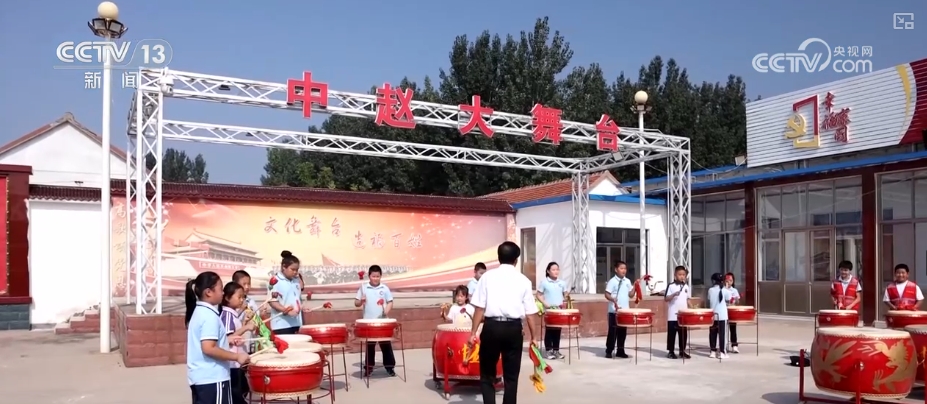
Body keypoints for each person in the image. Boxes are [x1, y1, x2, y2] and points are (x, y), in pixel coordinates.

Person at [469, 241, 538, 404]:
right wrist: (534, 337)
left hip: (492, 327)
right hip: (513, 329)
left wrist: (473, 333)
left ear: (499, 257)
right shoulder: (524, 280)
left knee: (487, 374)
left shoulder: (486, 277)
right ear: (516, 260)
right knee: (511, 375)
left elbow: (479, 308)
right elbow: (530, 314)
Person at [185, 271, 249, 404]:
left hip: (203, 378)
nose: (223, 293)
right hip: (213, 379)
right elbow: (209, 348)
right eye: (220, 289)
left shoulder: (200, 312)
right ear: (208, 292)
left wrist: (226, 340)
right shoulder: (209, 316)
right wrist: (237, 357)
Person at [354, 265, 396, 377]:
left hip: (382, 322)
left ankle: (390, 367)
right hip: (368, 323)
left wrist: (385, 312)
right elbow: (356, 303)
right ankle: (368, 367)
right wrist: (361, 301)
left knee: (386, 345)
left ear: (381, 276)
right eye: (373, 276)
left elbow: (390, 302)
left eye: (378, 276)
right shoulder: (364, 288)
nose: (376, 278)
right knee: (370, 346)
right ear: (369, 276)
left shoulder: (384, 288)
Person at [219, 282, 256, 404]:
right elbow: (228, 338)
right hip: (232, 363)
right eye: (239, 297)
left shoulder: (232, 314)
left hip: (236, 362)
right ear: (227, 298)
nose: (242, 300)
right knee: (237, 395)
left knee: (242, 390)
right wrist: (246, 328)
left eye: (243, 297)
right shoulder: (227, 315)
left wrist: (244, 323)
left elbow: (236, 333)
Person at [603, 261, 639, 359]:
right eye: (621, 268)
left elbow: (630, 295)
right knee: (613, 331)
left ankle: (620, 350)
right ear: (616, 269)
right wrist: (612, 299)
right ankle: (609, 350)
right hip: (614, 311)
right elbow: (607, 294)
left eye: (625, 268)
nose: (624, 270)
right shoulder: (612, 281)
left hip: (624, 311)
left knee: (622, 331)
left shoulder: (627, 281)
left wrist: (635, 287)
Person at [536, 262, 568, 359]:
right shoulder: (544, 282)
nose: (556, 271)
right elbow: (538, 295)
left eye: (557, 269)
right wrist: (545, 304)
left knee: (558, 330)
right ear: (548, 271)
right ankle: (549, 351)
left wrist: (565, 298)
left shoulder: (562, 283)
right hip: (549, 310)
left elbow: (565, 294)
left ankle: (556, 350)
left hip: (559, 310)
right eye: (553, 270)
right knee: (549, 330)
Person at [268, 251, 303, 335]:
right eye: (292, 269)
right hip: (282, 325)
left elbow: (297, 299)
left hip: (297, 322)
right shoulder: (275, 280)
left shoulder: (296, 280)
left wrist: (302, 307)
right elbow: (272, 301)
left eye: (297, 270)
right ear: (284, 267)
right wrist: (287, 311)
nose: (295, 272)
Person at [664, 266, 691, 359]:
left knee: (683, 334)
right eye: (680, 274)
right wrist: (673, 295)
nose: (682, 276)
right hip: (673, 315)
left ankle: (682, 351)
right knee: (672, 334)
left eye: (683, 275)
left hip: (683, 315)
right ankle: (671, 351)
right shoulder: (671, 286)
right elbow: (666, 298)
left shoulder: (686, 286)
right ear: (675, 275)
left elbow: (688, 299)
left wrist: (692, 307)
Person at [707, 273, 733, 359]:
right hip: (722, 316)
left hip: (713, 315)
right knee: (722, 334)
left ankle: (712, 351)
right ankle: (722, 352)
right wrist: (726, 287)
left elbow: (709, 299)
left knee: (712, 334)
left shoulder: (710, 290)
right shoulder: (725, 290)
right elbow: (729, 298)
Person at [724, 273, 741, 353]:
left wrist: (736, 300)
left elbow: (737, 301)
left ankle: (734, 345)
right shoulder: (723, 289)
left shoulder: (734, 290)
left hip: (732, 311)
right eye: (727, 280)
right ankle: (724, 345)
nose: (729, 282)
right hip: (724, 311)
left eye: (731, 280)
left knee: (733, 329)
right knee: (724, 329)